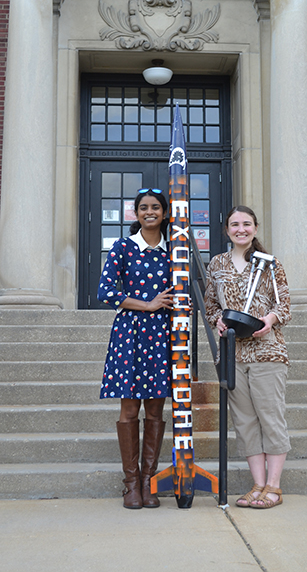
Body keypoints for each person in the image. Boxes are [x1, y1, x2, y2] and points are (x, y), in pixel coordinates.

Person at [205, 205, 291, 509]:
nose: (241, 229)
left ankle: (274, 487)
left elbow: (285, 305)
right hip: (233, 353)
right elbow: (211, 305)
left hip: (267, 351)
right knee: (244, 422)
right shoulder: (217, 263)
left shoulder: (270, 264)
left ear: (254, 227)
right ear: (227, 229)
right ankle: (257, 484)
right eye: (234, 224)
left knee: (270, 417)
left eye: (246, 224)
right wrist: (216, 320)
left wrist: (270, 319)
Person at [98, 188, 173, 509]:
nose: (149, 212)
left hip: (162, 335)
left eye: (155, 207)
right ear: (136, 214)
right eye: (143, 208)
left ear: (165, 213)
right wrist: (148, 304)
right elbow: (105, 290)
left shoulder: (175, 250)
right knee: (129, 408)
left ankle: (147, 481)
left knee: (155, 408)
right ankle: (130, 484)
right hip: (129, 332)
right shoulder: (124, 248)